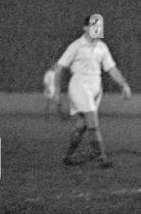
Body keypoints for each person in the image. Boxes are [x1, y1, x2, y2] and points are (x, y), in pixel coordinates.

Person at [51, 14, 132, 168]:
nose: (98, 29)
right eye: (94, 26)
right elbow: (60, 67)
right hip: (80, 84)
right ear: (86, 28)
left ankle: (68, 156)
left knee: (82, 125)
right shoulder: (76, 46)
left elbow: (111, 68)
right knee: (92, 120)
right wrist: (56, 91)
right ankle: (102, 157)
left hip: (96, 86)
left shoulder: (102, 47)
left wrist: (124, 85)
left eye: (100, 26)